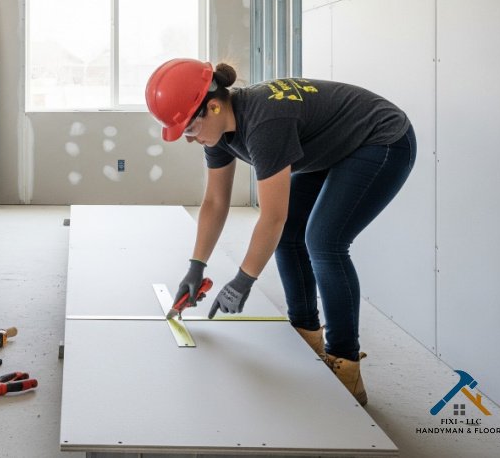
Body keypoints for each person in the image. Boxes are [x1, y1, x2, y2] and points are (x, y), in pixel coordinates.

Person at [146, 59, 415, 406]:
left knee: (325, 242)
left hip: (382, 140)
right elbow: (215, 201)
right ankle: (307, 334)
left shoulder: (264, 123)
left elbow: (272, 216)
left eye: (189, 129)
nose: (189, 140)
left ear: (212, 106)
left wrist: (244, 279)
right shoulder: (217, 134)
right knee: (292, 235)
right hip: (338, 145)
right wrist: (197, 265)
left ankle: (345, 364)